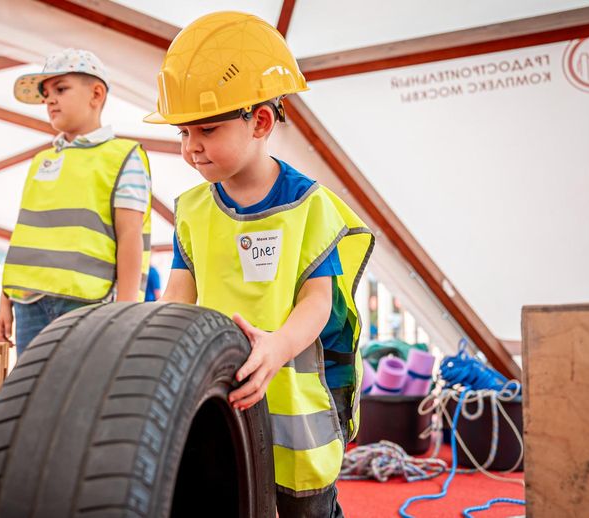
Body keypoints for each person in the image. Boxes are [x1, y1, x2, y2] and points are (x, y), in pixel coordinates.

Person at [148, 12, 373, 517]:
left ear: (262, 122)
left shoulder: (309, 207)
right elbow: (179, 295)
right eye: (184, 132)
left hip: (294, 397)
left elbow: (318, 302)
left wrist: (277, 349)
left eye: (206, 128)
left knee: (305, 507)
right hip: (224, 395)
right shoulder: (192, 211)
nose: (191, 148)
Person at [0, 48, 152, 356]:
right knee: (34, 397)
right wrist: (5, 300)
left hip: (88, 302)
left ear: (96, 94)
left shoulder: (124, 156)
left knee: (82, 395)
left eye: (61, 89)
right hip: (28, 302)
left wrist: (124, 311)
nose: (49, 99)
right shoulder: (40, 161)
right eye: (46, 94)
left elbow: (130, 235)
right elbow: (24, 234)